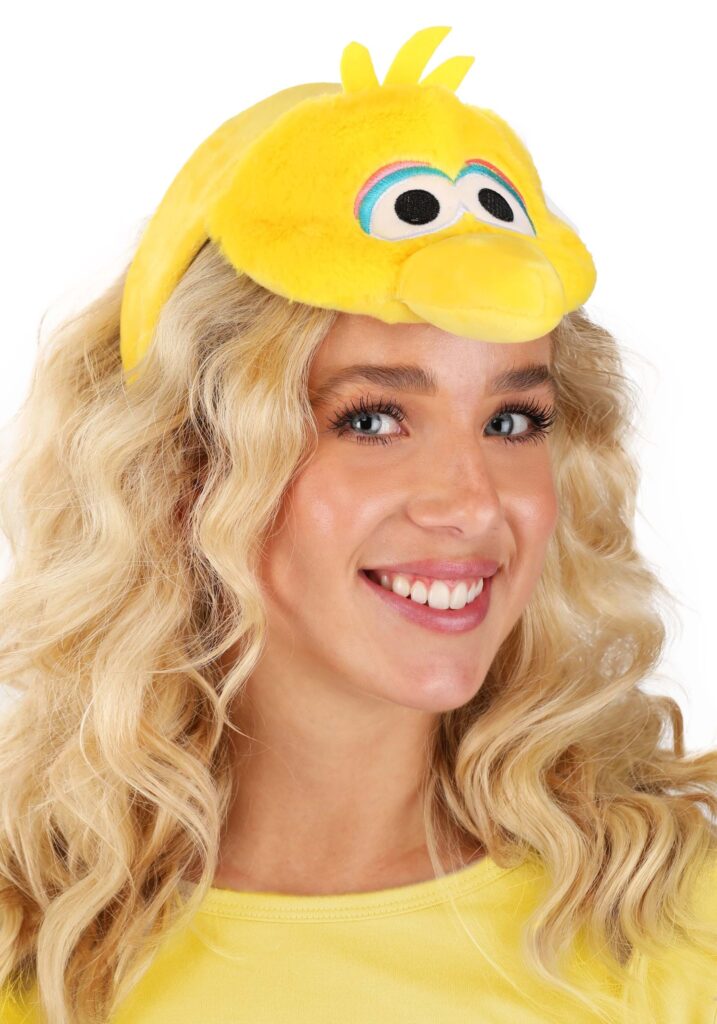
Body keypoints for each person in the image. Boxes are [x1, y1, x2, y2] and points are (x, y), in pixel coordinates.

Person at [1, 24, 716, 1024]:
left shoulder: (666, 920)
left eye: (512, 420)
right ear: (187, 465)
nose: (473, 502)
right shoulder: (36, 946)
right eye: (372, 419)